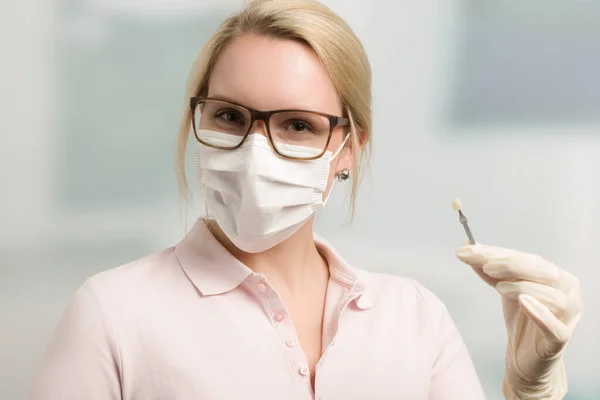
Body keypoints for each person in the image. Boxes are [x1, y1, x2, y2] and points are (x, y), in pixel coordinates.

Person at [30, 1, 583, 399]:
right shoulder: (114, 314)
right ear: (196, 118)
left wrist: (529, 392)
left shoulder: (413, 319)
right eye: (229, 116)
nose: (253, 151)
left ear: (348, 148)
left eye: (297, 125)